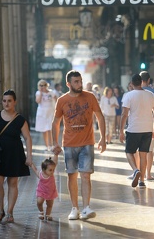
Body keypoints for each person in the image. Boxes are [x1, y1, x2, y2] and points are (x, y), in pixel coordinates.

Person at [52, 70, 106, 220]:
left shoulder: (90, 97)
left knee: (86, 175)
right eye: (76, 82)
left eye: (80, 81)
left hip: (87, 143)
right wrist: (54, 143)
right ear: (68, 84)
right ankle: (74, 208)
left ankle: (86, 208)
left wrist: (102, 138)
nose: (79, 84)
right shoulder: (62, 100)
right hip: (69, 144)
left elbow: (100, 116)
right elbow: (56, 122)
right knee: (71, 176)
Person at [0, 89, 32, 223]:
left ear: (14, 102)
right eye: (4, 101)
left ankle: (10, 213)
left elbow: (27, 138)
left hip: (14, 153)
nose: (6, 104)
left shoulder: (20, 120)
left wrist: (29, 156)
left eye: (9, 101)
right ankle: (0, 210)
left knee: (13, 183)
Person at [119, 74, 154, 189]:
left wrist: (121, 131)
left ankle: (136, 170)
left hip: (133, 129)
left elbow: (124, 114)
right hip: (147, 129)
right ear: (141, 82)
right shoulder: (150, 95)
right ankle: (142, 181)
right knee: (143, 155)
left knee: (129, 152)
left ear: (131, 84)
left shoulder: (128, 95)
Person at [140, 71, 154, 180]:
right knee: (149, 150)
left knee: (138, 150)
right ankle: (148, 174)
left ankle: (139, 172)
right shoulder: (153, 92)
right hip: (149, 124)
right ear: (148, 80)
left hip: (137, 125)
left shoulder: (134, 92)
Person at [31, 155, 59, 221]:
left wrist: (56, 154)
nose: (52, 172)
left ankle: (48, 214)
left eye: (53, 170)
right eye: (50, 170)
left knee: (50, 204)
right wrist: (31, 164)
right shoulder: (40, 175)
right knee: (39, 202)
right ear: (43, 170)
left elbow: (55, 161)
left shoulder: (51, 175)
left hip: (50, 192)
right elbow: (35, 169)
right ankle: (41, 211)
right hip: (41, 191)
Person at [35, 79, 57, 151]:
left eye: (44, 85)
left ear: (46, 85)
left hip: (50, 112)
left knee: (49, 129)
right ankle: (46, 145)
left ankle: (51, 145)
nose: (42, 87)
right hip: (42, 113)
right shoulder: (38, 93)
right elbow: (38, 101)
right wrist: (41, 93)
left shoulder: (51, 92)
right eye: (41, 85)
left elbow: (57, 100)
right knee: (44, 129)